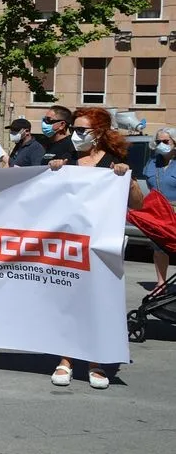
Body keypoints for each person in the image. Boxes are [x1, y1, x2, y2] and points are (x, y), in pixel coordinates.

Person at [48, 107, 143, 390]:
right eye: (75, 129)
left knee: (97, 303)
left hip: (100, 246)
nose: (76, 136)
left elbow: (137, 202)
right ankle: (65, 359)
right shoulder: (66, 158)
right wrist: (53, 171)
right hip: (68, 244)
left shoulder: (114, 162)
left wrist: (126, 178)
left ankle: (95, 361)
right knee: (67, 301)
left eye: (81, 130)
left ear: (98, 133)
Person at [143, 127, 176, 291]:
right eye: (158, 141)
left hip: (175, 210)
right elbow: (149, 184)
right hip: (158, 212)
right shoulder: (152, 162)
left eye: (165, 141)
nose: (161, 144)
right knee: (159, 249)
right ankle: (161, 282)